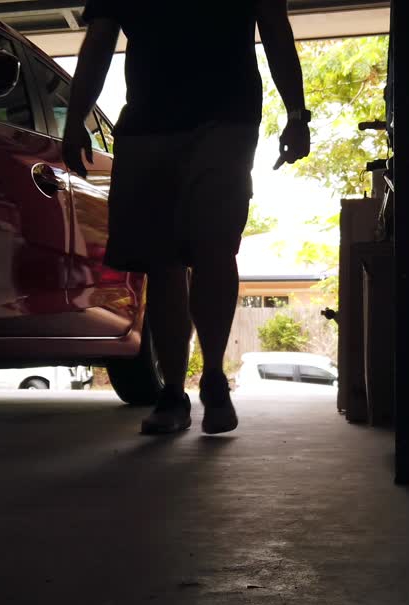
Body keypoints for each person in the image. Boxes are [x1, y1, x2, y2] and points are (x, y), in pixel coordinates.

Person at [63, 0, 310, 435]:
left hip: (215, 118)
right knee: (179, 256)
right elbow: (100, 38)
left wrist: (297, 113)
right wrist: (294, 114)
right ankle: (188, 388)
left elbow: (274, 24)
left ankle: (201, 383)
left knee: (193, 253)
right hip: (171, 120)